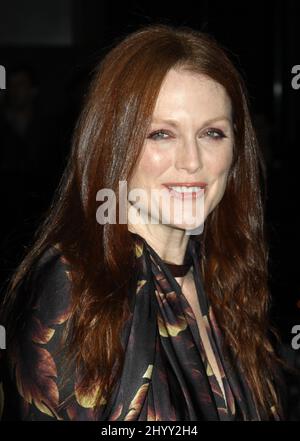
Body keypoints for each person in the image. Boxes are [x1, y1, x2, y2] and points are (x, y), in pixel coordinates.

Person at [0, 24, 285, 421]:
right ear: (115, 143)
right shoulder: (78, 284)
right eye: (161, 134)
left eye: (212, 133)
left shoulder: (225, 272)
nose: (191, 161)